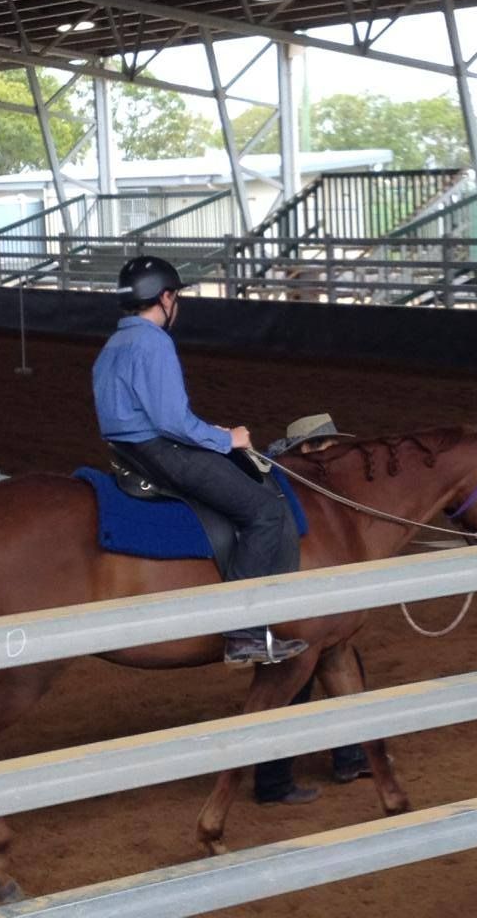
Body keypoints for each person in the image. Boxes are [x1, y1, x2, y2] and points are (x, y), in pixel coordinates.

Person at [92, 255, 309, 668]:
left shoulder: (114, 343)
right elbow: (172, 421)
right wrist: (227, 439)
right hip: (163, 452)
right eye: (177, 297)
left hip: (129, 455)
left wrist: (208, 433)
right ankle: (243, 633)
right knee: (264, 510)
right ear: (166, 297)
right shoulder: (153, 342)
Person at [253, 414, 371, 805]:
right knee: (297, 673)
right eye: (325, 446)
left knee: (339, 654)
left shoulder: (310, 490)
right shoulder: (285, 490)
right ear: (307, 450)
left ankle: (351, 754)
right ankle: (274, 779)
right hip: (290, 607)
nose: (334, 455)